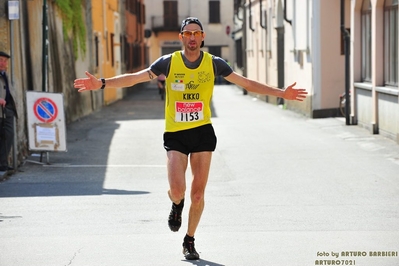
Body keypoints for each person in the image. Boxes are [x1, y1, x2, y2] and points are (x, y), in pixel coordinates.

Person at [74, 17, 307, 260]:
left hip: (202, 132)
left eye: (197, 33)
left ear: (203, 37)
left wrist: (281, 93)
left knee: (197, 194)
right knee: (178, 190)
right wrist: (102, 83)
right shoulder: (168, 62)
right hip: (176, 133)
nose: (193, 38)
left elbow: (246, 83)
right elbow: (135, 77)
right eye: (188, 33)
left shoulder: (214, 63)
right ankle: (176, 204)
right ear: (182, 37)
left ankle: (189, 239)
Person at [0, 51, 17, 173]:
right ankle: (2, 164)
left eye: (5, 61)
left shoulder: (5, 74)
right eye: (1, 60)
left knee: (8, 135)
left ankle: (3, 163)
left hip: (7, 110)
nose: (3, 63)